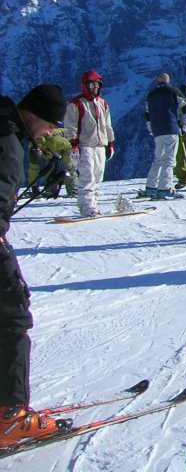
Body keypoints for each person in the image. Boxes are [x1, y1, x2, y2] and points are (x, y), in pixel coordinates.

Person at [1, 84, 74, 447]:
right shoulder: (7, 141)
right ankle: (10, 416)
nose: (49, 133)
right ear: (33, 114)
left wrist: (44, 170)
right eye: (49, 124)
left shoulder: (7, 128)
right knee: (11, 319)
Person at [64, 71, 115, 218]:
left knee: (98, 176)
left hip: (100, 145)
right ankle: (86, 206)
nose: (95, 87)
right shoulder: (76, 104)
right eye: (92, 84)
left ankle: (94, 204)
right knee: (87, 176)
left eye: (98, 84)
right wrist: (73, 144)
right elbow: (70, 126)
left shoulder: (103, 103)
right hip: (84, 145)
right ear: (85, 85)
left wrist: (110, 142)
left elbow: (107, 125)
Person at [142, 74, 186, 200]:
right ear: (168, 81)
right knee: (169, 160)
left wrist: (151, 130)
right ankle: (165, 188)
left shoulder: (150, 94)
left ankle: (150, 187)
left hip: (157, 131)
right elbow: (185, 107)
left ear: (157, 81)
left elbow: (147, 114)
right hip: (171, 128)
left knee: (158, 159)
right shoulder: (174, 91)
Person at [26, 128, 73, 199]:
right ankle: (50, 189)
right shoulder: (33, 151)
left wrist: (66, 160)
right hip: (50, 152)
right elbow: (33, 170)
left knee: (68, 168)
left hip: (65, 145)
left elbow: (68, 145)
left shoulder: (55, 142)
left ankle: (72, 189)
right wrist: (34, 187)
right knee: (50, 169)